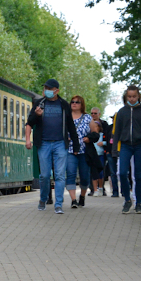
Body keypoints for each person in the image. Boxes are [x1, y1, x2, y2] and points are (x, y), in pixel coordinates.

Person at [25, 78, 80, 214]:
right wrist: (36, 116)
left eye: (50, 89)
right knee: (44, 175)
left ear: (57, 91)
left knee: (60, 175)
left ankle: (58, 204)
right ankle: (43, 199)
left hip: (60, 143)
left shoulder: (63, 105)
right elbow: (30, 122)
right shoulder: (40, 103)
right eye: (46, 88)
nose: (47, 91)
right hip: (43, 143)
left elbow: (70, 126)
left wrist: (76, 145)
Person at [110, 85, 141, 214]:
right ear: (126, 97)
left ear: (138, 96)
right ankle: (127, 200)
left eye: (134, 96)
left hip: (140, 145)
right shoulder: (122, 112)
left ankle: (139, 203)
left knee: (138, 174)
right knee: (122, 173)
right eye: (129, 96)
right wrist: (114, 149)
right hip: (125, 145)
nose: (132, 98)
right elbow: (116, 132)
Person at [67, 95, 99, 208]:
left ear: (82, 104)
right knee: (70, 174)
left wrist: (89, 138)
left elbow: (95, 133)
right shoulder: (66, 117)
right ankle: (73, 200)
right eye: (72, 102)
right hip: (70, 150)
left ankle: (82, 195)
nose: (74, 104)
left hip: (84, 151)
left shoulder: (87, 118)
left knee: (84, 176)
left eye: (77, 102)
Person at [89, 107, 112, 196]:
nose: (93, 115)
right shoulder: (88, 122)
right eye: (92, 113)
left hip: (102, 152)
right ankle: (93, 189)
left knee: (101, 170)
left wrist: (105, 143)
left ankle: (101, 188)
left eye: (95, 113)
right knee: (92, 171)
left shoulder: (104, 124)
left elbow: (107, 137)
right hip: (92, 152)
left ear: (99, 114)